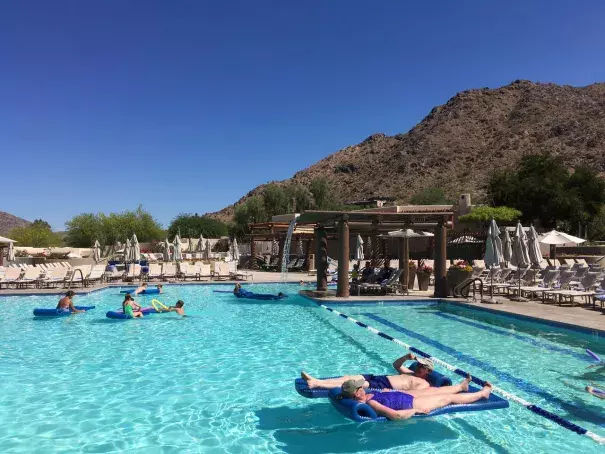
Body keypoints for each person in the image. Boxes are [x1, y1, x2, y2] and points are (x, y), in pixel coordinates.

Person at [338, 376, 492, 420]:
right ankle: (482, 394)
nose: (363, 386)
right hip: (410, 403)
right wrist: (415, 410)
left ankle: (461, 387)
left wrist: (385, 391)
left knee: (434, 389)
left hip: (404, 396)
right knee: (448, 398)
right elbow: (396, 415)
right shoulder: (370, 402)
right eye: (360, 387)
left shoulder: (366, 396)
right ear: (357, 393)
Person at [302, 354, 435, 391]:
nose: (418, 366)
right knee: (349, 377)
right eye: (418, 364)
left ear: (428, 371)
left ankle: (317, 384)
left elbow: (414, 395)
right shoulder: (410, 373)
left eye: (422, 366)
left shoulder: (424, 384)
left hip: (382, 386)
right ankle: (318, 380)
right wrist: (406, 357)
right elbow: (396, 365)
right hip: (378, 378)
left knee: (352, 384)